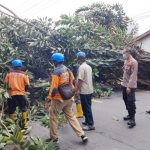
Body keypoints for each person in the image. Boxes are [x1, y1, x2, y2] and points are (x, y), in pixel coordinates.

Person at [44, 53, 88, 143]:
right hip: (68, 97)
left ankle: (54, 138)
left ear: (55, 61)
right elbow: (72, 82)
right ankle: (82, 134)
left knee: (53, 116)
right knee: (71, 116)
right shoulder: (67, 70)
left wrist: (49, 100)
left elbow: (54, 88)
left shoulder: (56, 72)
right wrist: (74, 92)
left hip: (59, 99)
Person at [5, 59, 30, 126]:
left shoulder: (9, 73)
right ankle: (24, 123)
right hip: (21, 93)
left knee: (11, 108)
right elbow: (27, 85)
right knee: (23, 108)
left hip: (11, 94)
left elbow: (6, 84)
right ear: (21, 66)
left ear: (13, 66)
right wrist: (24, 90)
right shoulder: (24, 74)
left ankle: (12, 123)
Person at [75, 52, 95, 131]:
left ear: (80, 60)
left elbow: (80, 80)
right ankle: (87, 120)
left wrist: (77, 90)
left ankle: (90, 124)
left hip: (84, 90)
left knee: (86, 107)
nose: (76, 61)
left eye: (77, 59)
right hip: (89, 89)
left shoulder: (81, 68)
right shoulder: (88, 66)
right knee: (87, 106)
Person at [122, 46, 138, 127]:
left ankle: (132, 119)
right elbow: (125, 73)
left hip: (130, 86)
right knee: (125, 99)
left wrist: (129, 87)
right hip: (124, 84)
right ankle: (129, 114)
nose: (123, 54)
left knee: (131, 102)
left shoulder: (133, 62)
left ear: (128, 53)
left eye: (124, 53)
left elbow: (133, 75)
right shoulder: (126, 61)